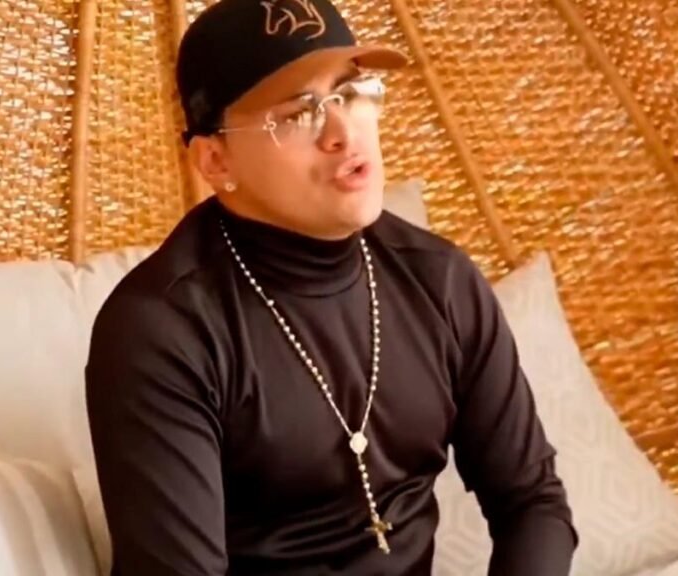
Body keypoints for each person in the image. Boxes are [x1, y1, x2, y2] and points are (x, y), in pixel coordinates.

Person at [84, 0, 579, 573]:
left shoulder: (438, 280)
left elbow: (532, 502)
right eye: (299, 113)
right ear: (216, 160)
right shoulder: (160, 332)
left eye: (349, 92)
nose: (343, 132)